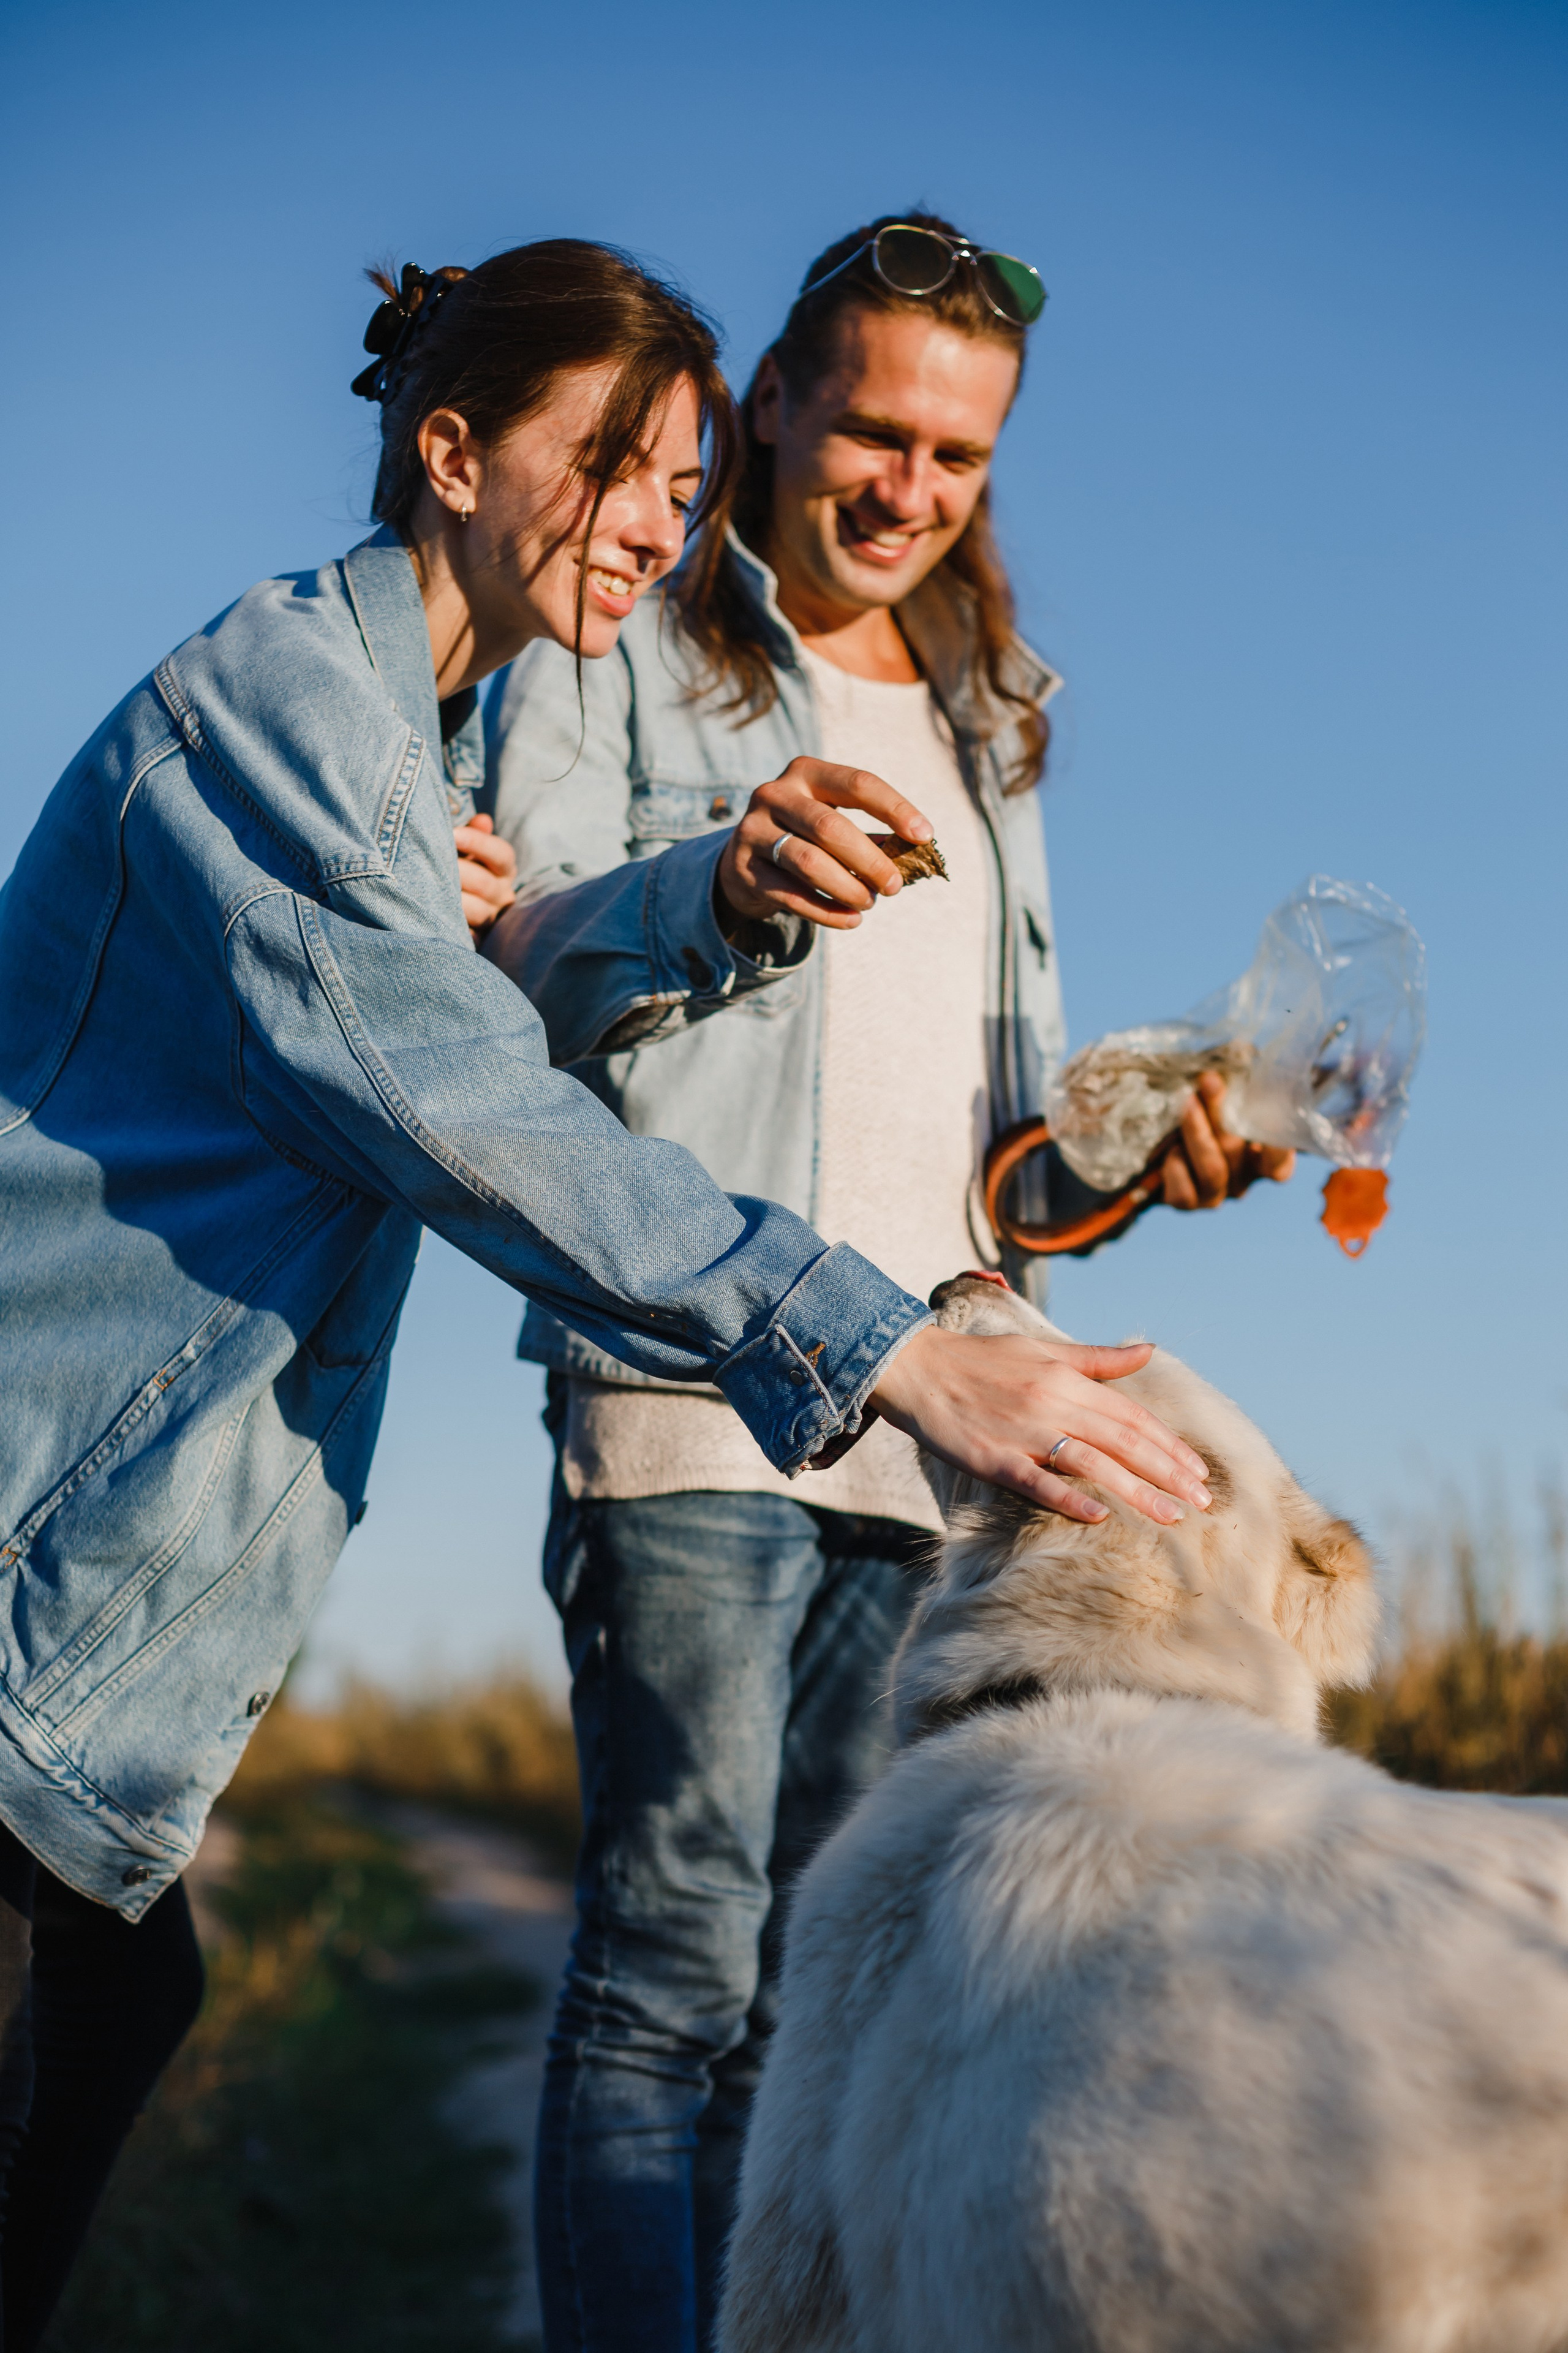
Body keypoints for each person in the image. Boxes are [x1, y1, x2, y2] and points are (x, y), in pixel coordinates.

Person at [0, 237, 1209, 2348]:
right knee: (654, 1973)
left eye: (670, 478)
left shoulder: (923, 729)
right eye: (622, 468)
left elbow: (988, 1106)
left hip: (855, 1391)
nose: (653, 521)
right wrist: (885, 1332)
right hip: (618, 1398)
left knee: (744, 1993)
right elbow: (477, 1081)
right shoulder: (346, 705)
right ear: (454, 452)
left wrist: (1131, 1153)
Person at [482, 213, 1292, 2352]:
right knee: (669, 1974)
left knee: (812, 1999)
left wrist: (1146, 1151)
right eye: (875, 431)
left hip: (944, 1419)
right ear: (767, 406)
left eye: (960, 457)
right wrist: (712, 882)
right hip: (692, 1381)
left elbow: (1003, 1147)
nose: (911, 490)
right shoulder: (631, 644)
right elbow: (509, 973)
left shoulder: (992, 719)